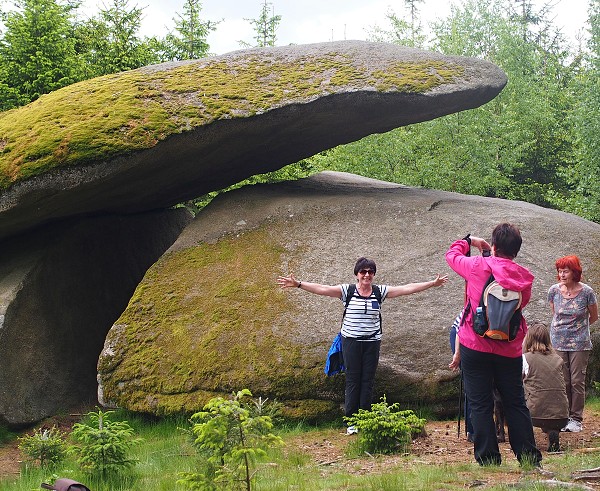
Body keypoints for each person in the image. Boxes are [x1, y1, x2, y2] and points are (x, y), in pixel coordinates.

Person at [277, 257, 448, 434]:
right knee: (353, 379)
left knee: (368, 380)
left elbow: (406, 289)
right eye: (363, 272)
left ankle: (365, 419)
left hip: (372, 342)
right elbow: (323, 289)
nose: (367, 275)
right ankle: (352, 421)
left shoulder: (379, 292)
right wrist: (298, 284)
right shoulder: (347, 291)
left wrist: (431, 284)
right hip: (351, 341)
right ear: (357, 274)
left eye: (370, 272)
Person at [445, 223, 542, 466]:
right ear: (517, 250)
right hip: (508, 348)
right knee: (515, 402)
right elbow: (520, 306)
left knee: (480, 403)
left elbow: (451, 255)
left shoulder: (478, 266)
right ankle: (528, 457)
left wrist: (469, 241)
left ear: (495, 245)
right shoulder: (524, 277)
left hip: (474, 344)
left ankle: (489, 459)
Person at [548, 255, 598, 433]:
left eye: (566, 271)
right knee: (563, 381)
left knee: (577, 381)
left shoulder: (587, 292)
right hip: (558, 341)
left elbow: (594, 316)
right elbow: (556, 314)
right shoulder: (554, 290)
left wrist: (579, 328)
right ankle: (564, 416)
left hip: (580, 343)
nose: (562, 274)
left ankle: (576, 419)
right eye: (560, 271)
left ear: (574, 272)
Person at [522, 322, 569, 452]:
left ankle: (525, 440)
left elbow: (516, 381)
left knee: (518, 400)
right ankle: (553, 431)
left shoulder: (525, 358)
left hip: (535, 413)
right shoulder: (558, 359)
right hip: (562, 414)